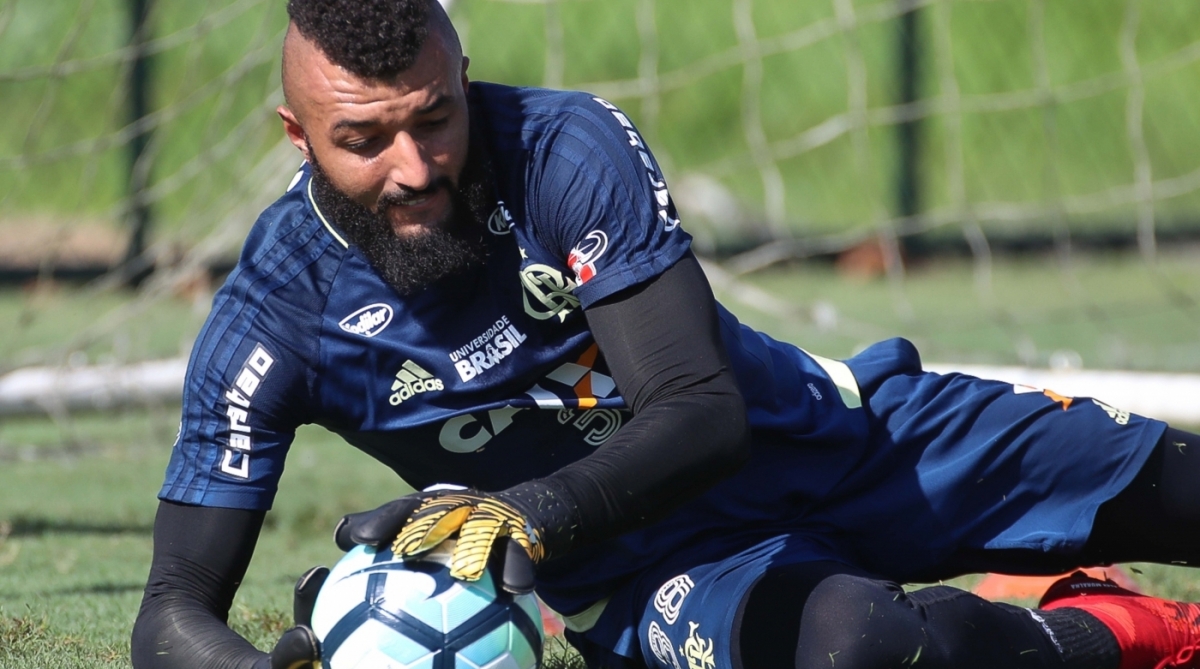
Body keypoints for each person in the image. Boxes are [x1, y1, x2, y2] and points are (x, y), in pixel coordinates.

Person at [130, 1, 1200, 668]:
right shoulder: (272, 315)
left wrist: (525, 513)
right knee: (864, 646)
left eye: (435, 117)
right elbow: (172, 610)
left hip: (853, 439)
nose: (414, 167)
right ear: (297, 134)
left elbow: (702, 411)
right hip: (668, 573)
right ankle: (1109, 629)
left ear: (462, 76)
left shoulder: (561, 148)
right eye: (362, 140)